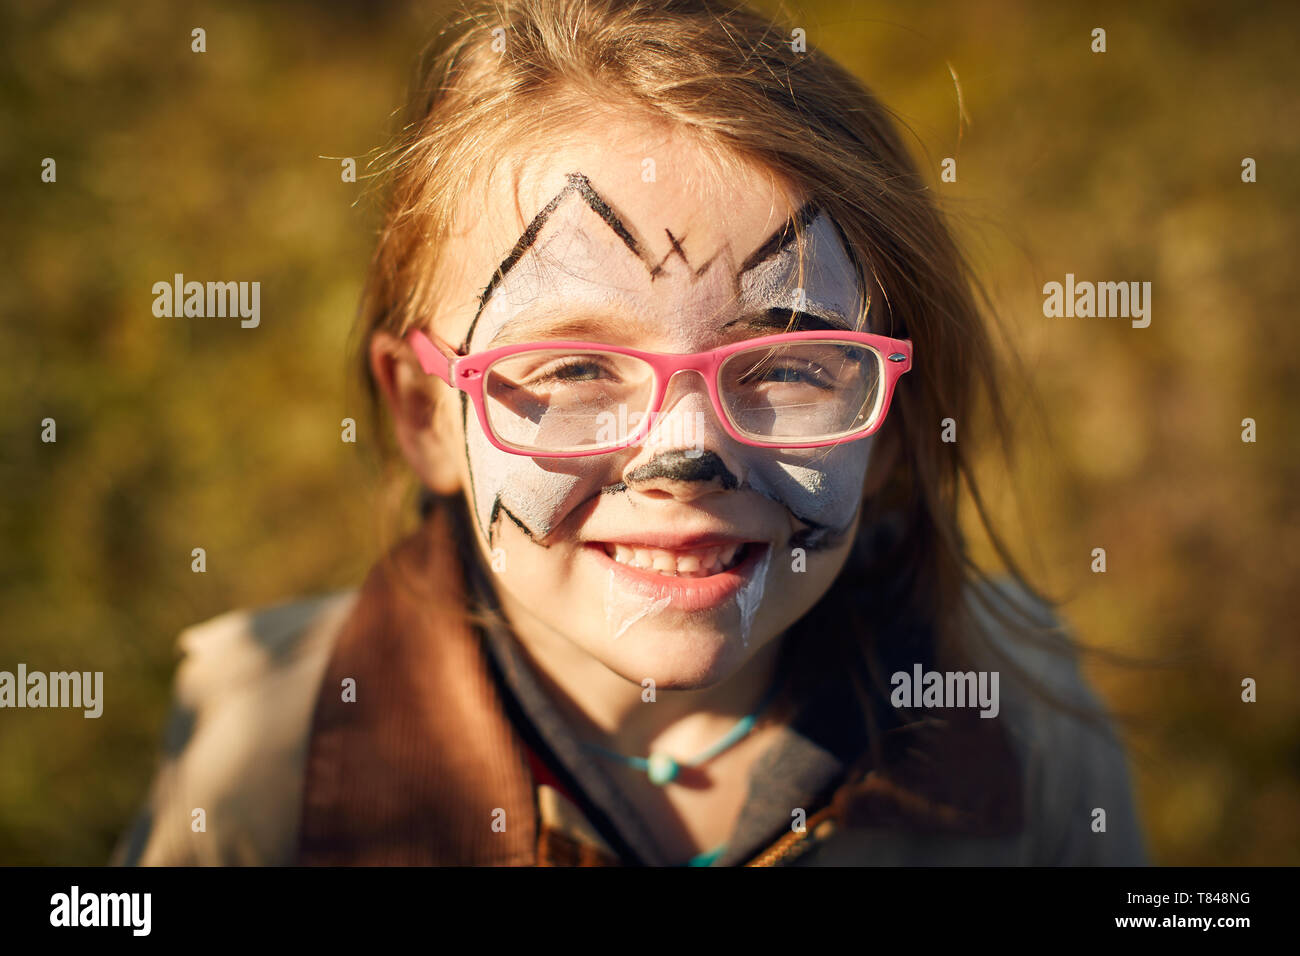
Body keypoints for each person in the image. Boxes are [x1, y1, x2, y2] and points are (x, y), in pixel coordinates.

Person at [114, 0, 1146, 867]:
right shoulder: (268, 748)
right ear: (427, 414)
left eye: (786, 365)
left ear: (884, 427)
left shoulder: (1015, 717)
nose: (681, 453)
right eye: (570, 367)